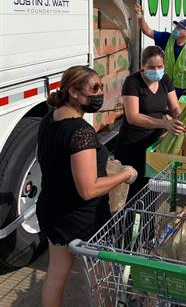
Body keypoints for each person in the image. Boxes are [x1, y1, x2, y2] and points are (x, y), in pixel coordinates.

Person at [36, 65, 137, 307]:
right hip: (83, 219)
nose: (99, 93)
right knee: (101, 278)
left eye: (100, 86)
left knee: (56, 273)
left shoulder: (50, 119)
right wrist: (124, 175)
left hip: (53, 209)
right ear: (73, 91)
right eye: (94, 88)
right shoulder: (81, 132)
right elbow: (88, 189)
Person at [115, 46, 186, 199]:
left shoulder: (165, 80)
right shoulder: (132, 82)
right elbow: (133, 116)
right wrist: (165, 124)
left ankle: (145, 222)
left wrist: (181, 119)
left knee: (149, 193)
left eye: (159, 67)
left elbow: (174, 107)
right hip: (132, 146)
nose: (156, 70)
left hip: (152, 147)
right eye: (151, 67)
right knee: (131, 194)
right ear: (142, 66)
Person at [134, 3, 186, 98]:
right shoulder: (167, 38)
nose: (176, 28)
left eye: (180, 28)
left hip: (184, 91)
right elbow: (146, 30)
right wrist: (140, 15)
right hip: (166, 87)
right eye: (176, 26)